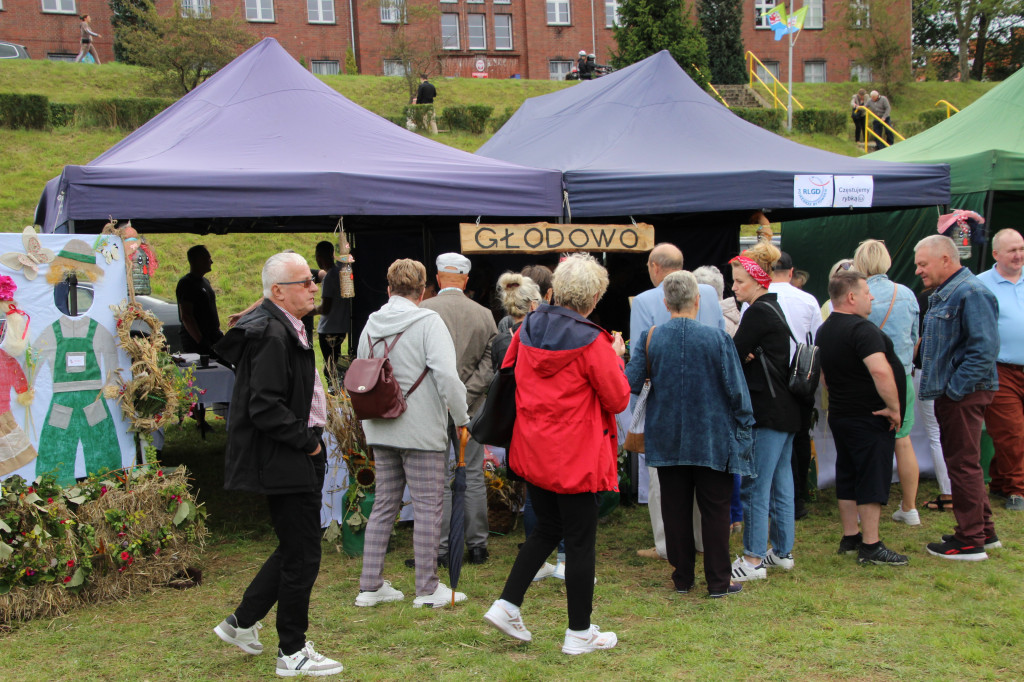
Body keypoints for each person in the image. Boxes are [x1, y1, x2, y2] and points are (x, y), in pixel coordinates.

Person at [483, 254, 629, 655]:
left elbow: (509, 373)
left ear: (556, 290)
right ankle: (579, 633)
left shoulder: (528, 325)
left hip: (535, 448)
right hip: (576, 455)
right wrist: (616, 358)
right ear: (595, 297)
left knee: (548, 529)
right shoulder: (593, 341)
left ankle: (507, 603)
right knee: (580, 542)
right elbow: (617, 399)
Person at [211, 252, 343, 678]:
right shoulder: (272, 333)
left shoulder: (285, 325)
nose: (313, 286)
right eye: (305, 281)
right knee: (303, 554)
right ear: (278, 292)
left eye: (314, 279)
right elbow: (263, 406)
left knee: (296, 546)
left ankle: (242, 622)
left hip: (290, 452)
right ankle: (293, 652)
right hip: (285, 455)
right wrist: (308, 443)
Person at [626, 271, 754, 597]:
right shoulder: (718, 338)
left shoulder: (651, 337)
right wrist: (743, 427)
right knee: (715, 511)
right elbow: (738, 393)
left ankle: (682, 578)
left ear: (666, 302)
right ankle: (718, 582)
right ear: (697, 300)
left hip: (666, 435)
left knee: (675, 509)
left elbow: (631, 383)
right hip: (712, 436)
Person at [354, 259, 471, 609]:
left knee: (384, 506)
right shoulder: (428, 322)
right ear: (423, 292)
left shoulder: (371, 324)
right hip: (420, 431)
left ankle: (370, 585)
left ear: (388, 289)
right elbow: (448, 377)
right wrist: (461, 419)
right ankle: (426, 588)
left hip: (381, 426)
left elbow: (361, 372)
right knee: (428, 507)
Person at [630, 244, 725, 562]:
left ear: (655, 267)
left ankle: (667, 545)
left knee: (663, 480)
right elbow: (723, 340)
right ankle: (700, 540)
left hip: (665, 403)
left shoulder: (644, 300)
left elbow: (638, 360)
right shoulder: (709, 294)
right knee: (703, 476)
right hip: (708, 401)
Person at [915, 234, 1001, 560]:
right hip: (958, 392)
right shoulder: (950, 292)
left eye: (923, 264)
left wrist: (954, 389)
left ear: (945, 260)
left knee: (962, 465)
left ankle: (969, 540)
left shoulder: (971, 292)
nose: (919, 270)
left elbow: (984, 350)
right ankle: (984, 530)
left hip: (963, 393)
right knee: (964, 463)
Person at [816, 270, 909, 566]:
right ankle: (871, 545)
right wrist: (894, 408)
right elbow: (880, 370)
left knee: (848, 473)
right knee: (871, 475)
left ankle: (850, 536)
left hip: (842, 413)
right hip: (869, 416)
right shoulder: (862, 330)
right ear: (851, 296)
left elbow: (825, 377)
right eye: (867, 291)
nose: (872, 297)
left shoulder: (826, 329)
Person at [728, 241, 801, 581]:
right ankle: (781, 551)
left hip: (767, 411)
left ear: (756, 280)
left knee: (756, 484)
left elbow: (731, 354)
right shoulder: (773, 308)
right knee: (780, 482)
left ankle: (753, 558)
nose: (733, 287)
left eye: (739, 281)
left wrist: (743, 356)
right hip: (786, 409)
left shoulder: (757, 312)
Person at [420, 253, 497, 566]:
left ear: (438, 278)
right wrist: (466, 395)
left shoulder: (423, 312)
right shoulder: (484, 315)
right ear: (465, 281)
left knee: (438, 478)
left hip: (434, 406)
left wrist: (447, 395)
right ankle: (477, 545)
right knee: (474, 474)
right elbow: (491, 361)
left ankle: (440, 547)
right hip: (473, 405)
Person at [854, 239, 921, 525]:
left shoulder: (857, 294)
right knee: (902, 441)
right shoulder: (906, 294)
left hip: (866, 378)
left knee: (865, 443)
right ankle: (909, 507)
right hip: (901, 375)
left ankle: (861, 508)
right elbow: (916, 337)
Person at [768, 252, 822, 521]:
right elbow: (816, 341)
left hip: (769, 377)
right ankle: (797, 498)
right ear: (791, 272)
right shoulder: (808, 299)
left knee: (772, 439)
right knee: (800, 436)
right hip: (801, 374)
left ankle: (774, 498)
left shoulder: (758, 297)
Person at [693, 264, 744, 533]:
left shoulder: (718, 323)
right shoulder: (734, 318)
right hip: (726, 399)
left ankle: (729, 515)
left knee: (722, 462)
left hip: (717, 400)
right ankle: (733, 515)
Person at [977, 228, 1024, 511]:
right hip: (1000, 368)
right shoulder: (981, 284)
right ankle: (1018, 490)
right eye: (1012, 250)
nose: (1019, 255)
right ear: (996, 254)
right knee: (1010, 431)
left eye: (1021, 248)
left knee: (1013, 432)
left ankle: (1000, 483)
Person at [314, 241, 350, 389]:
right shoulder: (341, 274)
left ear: (319, 256)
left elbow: (325, 308)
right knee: (336, 364)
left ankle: (333, 392)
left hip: (328, 329)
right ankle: (338, 390)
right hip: (341, 327)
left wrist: (309, 310)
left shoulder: (329, 278)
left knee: (330, 367)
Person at [176, 245, 223, 357]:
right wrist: (201, 342)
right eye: (208, 258)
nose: (211, 261)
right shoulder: (187, 283)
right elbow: (186, 316)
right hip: (197, 342)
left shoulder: (205, 282)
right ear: (198, 260)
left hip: (213, 337)